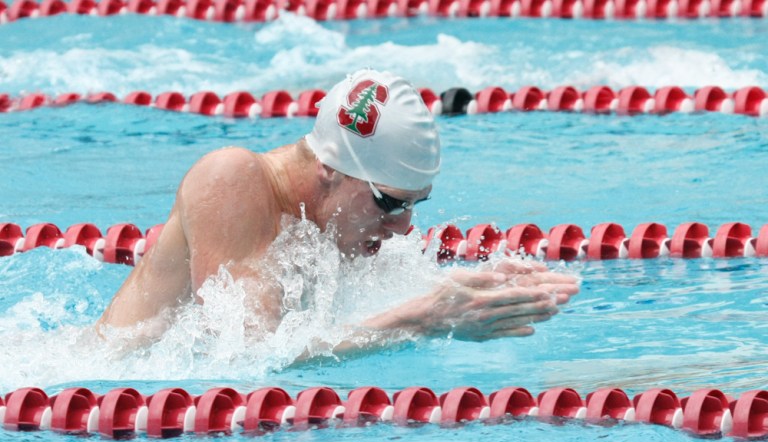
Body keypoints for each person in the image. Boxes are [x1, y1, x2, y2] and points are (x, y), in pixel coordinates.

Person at [97, 69, 579, 352]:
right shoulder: (232, 179)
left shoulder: (330, 229)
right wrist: (421, 320)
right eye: (389, 202)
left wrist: (484, 287)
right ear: (331, 170)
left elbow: (364, 313)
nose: (404, 227)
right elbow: (243, 358)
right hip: (105, 402)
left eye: (414, 206)